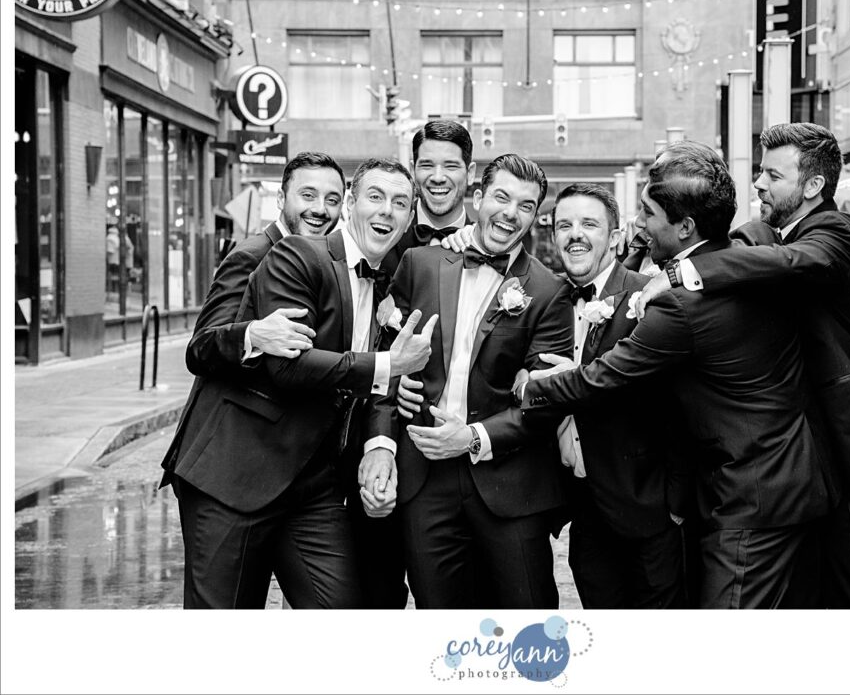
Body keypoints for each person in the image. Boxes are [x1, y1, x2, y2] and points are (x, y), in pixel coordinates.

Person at [519, 141, 832, 608]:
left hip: (752, 492)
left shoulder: (682, 303)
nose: (638, 223)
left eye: (648, 213)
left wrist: (532, 388)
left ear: (684, 227)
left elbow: (602, 378)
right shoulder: (741, 260)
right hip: (779, 478)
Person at [636, 123, 850, 609]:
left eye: (773, 175)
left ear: (813, 187)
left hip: (839, 452)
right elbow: (737, 246)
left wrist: (686, 271)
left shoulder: (836, 232)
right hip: (789, 469)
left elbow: (798, 262)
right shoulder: (766, 234)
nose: (758, 183)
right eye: (759, 172)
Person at [162, 153, 437, 609]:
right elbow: (212, 349)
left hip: (314, 480)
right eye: (374, 197)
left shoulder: (386, 274)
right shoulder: (274, 253)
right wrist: (252, 334)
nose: (319, 207)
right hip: (236, 470)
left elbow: (364, 384)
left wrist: (378, 444)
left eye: (400, 203)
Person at [364, 153, 574, 609]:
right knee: (443, 623)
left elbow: (546, 399)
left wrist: (474, 436)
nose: (510, 213)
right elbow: (383, 370)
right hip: (424, 480)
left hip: (509, 484)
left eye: (525, 205)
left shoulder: (548, 291)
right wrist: (381, 443)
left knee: (528, 623)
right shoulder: (418, 264)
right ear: (478, 199)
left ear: (536, 217)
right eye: (501, 197)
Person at [518, 182, 688, 608]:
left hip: (647, 508)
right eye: (564, 226)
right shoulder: (545, 299)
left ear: (614, 238)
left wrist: (678, 503)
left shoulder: (646, 297)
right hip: (583, 508)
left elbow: (677, 403)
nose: (574, 234)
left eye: (588, 224)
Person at [381, 119, 476, 275]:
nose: (438, 178)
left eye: (451, 166)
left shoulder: (484, 247)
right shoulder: (385, 235)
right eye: (427, 165)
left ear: (470, 173)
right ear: (412, 170)